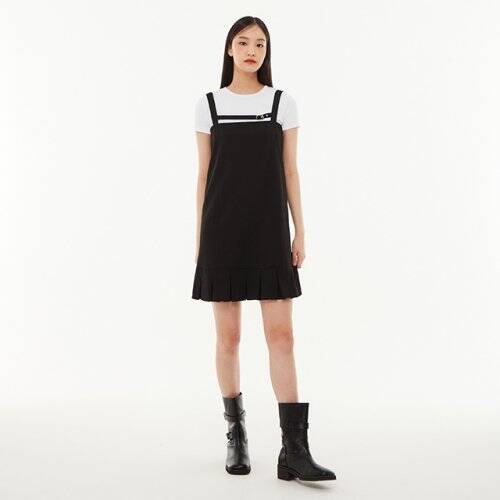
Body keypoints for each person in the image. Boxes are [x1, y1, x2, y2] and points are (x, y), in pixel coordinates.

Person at [191, 16, 336, 482]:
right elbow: (203, 175)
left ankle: (294, 449)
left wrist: (300, 231)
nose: (252, 50)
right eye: (243, 42)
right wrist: (199, 240)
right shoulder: (209, 105)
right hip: (222, 231)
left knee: (282, 336)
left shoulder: (281, 103)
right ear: (229, 49)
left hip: (271, 229)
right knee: (229, 338)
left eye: (260, 44)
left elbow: (291, 170)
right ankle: (236, 433)